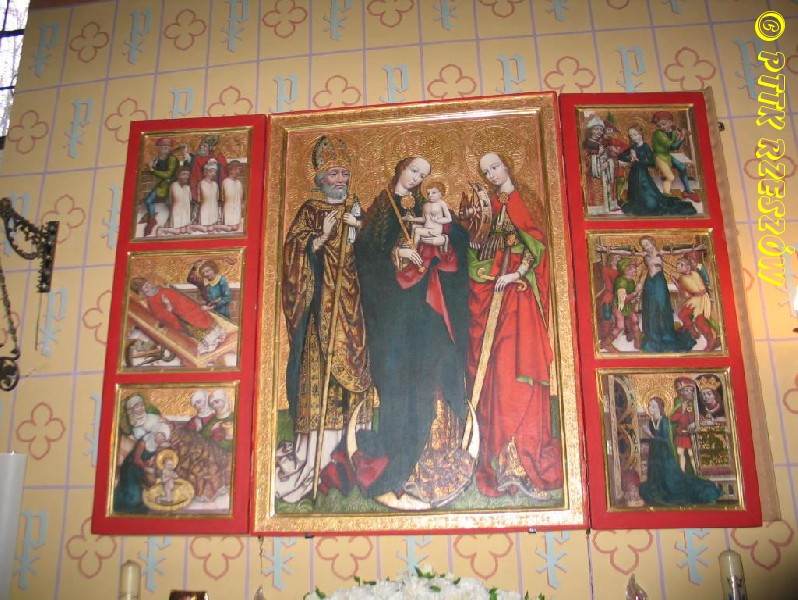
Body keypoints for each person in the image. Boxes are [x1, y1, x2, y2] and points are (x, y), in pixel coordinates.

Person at [352, 155, 472, 503]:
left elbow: (452, 238)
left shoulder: (424, 206)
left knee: (428, 372)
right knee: (393, 375)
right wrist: (396, 253)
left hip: (422, 306)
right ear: (399, 169)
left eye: (422, 174)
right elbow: (365, 253)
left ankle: (418, 454)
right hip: (389, 309)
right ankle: (396, 447)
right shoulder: (381, 207)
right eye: (413, 170)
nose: (416, 177)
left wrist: (443, 243)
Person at [277, 135, 374, 503]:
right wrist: (321, 238)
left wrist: (357, 229)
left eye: (345, 173)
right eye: (334, 174)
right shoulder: (310, 210)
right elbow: (294, 254)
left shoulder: (355, 207)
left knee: (356, 364)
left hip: (354, 304)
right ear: (320, 178)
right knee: (320, 366)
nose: (341, 180)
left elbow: (368, 254)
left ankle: (354, 452)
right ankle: (316, 459)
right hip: (322, 305)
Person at [467, 151, 562, 500]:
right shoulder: (490, 206)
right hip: (497, 297)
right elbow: (481, 247)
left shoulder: (525, 201)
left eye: (495, 167)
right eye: (486, 171)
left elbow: (537, 247)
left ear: (508, 165)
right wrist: (480, 250)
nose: (491, 174)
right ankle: (502, 462)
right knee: (499, 374)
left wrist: (516, 272)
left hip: (520, 299)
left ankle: (525, 460)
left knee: (520, 368)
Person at [599, 236, 698, 353]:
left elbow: (678, 251)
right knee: (651, 308)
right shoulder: (644, 254)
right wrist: (608, 250)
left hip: (659, 282)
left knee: (662, 307)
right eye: (644, 245)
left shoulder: (660, 253)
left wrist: (695, 248)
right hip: (650, 283)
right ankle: (653, 334)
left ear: (653, 243)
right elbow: (625, 252)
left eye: (647, 244)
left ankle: (665, 333)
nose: (646, 247)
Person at [639, 396, 721, 506]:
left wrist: (649, 434)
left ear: (659, 408)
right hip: (654, 453)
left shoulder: (664, 421)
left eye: (653, 406)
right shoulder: (650, 421)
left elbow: (665, 439)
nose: (650, 408)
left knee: (672, 482)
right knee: (654, 480)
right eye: (649, 405)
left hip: (665, 454)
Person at [129, 276, 227, 355]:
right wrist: (169, 306)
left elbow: (180, 298)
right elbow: (162, 316)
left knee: (203, 319)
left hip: (189, 309)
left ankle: (218, 334)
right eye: (146, 287)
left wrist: (195, 306)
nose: (150, 286)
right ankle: (211, 342)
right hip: (182, 319)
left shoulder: (162, 290)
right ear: (142, 292)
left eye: (149, 283)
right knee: (197, 326)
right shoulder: (152, 303)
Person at [617, 127, 697, 216]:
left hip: (643, 175)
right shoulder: (633, 147)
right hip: (634, 174)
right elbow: (620, 156)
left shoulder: (645, 147)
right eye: (631, 136)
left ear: (641, 134)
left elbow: (651, 162)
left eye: (635, 135)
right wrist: (630, 158)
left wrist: (639, 160)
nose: (633, 138)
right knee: (635, 196)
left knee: (651, 203)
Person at [113, 394, 165, 513]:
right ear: (131, 410)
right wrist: (146, 467)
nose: (141, 408)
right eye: (137, 407)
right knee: (133, 497)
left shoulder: (154, 419)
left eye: (141, 405)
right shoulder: (135, 431)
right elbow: (136, 458)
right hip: (133, 466)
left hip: (144, 463)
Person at [672, 256, 720, 350]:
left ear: (687, 266)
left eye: (680, 265)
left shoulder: (689, 276)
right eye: (677, 266)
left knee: (699, 320)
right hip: (697, 298)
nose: (678, 267)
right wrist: (677, 281)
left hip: (700, 300)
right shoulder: (687, 276)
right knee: (683, 314)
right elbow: (688, 290)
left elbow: (689, 294)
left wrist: (677, 282)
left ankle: (711, 340)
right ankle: (693, 331)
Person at [651, 110, 699, 201]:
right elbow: (673, 147)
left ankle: (687, 191)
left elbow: (676, 147)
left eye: (664, 124)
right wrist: (682, 136)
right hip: (658, 157)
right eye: (659, 126)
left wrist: (680, 135)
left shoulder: (673, 133)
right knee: (670, 177)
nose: (662, 127)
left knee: (682, 167)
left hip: (666, 156)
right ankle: (665, 195)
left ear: (670, 122)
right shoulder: (658, 134)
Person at [140, 137, 179, 236]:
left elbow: (168, 174)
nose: (166, 149)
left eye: (168, 147)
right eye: (163, 147)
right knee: (148, 200)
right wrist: (152, 166)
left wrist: (153, 170)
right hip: (160, 184)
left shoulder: (172, 159)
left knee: (169, 203)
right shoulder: (157, 159)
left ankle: (171, 223)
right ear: (158, 148)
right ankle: (151, 220)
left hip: (170, 184)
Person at [404, 178, 452, 249]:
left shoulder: (441, 204)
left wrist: (437, 220)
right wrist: (412, 219)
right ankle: (412, 244)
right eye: (428, 193)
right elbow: (424, 219)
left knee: (417, 230)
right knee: (414, 227)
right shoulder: (425, 205)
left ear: (441, 193)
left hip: (435, 230)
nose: (430, 195)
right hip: (426, 228)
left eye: (433, 193)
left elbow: (449, 219)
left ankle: (414, 249)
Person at [612, 257, 643, 350]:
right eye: (630, 268)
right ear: (624, 271)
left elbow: (632, 299)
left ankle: (637, 342)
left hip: (628, 305)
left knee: (635, 321)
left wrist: (636, 298)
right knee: (620, 326)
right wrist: (635, 293)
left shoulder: (632, 281)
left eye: (634, 267)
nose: (634, 270)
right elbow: (622, 300)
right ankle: (606, 343)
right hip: (619, 306)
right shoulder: (620, 281)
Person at [670, 377, 698, 474]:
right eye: (686, 390)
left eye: (691, 390)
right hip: (681, 433)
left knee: (692, 454)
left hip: (691, 434)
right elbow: (673, 418)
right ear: (681, 393)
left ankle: (696, 472)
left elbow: (699, 417)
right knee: (680, 453)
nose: (689, 392)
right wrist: (682, 411)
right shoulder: (680, 405)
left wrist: (695, 423)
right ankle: (682, 473)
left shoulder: (695, 405)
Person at [159, 166, 192, 235]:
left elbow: (189, 200)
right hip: (176, 214)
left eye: (188, 175)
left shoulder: (187, 188)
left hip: (185, 215)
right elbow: (171, 201)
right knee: (177, 231)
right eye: (184, 174)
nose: (186, 177)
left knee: (184, 231)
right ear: (178, 175)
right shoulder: (174, 185)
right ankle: (161, 229)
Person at [220, 159, 244, 231]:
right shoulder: (226, 181)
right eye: (235, 169)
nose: (237, 172)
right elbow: (225, 198)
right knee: (231, 228)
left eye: (238, 170)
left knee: (236, 227)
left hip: (237, 210)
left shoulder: (238, 183)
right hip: (229, 210)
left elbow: (240, 197)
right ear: (230, 170)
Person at [197, 160, 220, 229]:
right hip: (204, 208)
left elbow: (217, 197)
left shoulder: (215, 184)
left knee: (212, 227)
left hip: (213, 208)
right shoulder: (201, 183)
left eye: (214, 172)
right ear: (205, 173)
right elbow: (199, 198)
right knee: (205, 228)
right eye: (211, 172)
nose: (213, 174)